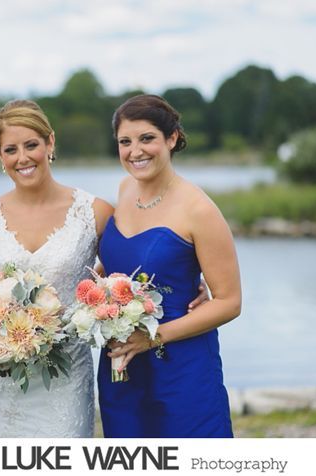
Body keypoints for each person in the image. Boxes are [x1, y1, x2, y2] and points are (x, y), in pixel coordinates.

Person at [0, 99, 114, 437]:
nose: (23, 158)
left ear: (50, 143)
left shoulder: (94, 213)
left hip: (66, 377)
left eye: (31, 145)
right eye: (10, 149)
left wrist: (192, 283)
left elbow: (126, 272)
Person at [98, 94, 241, 438]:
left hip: (181, 364)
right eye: (125, 142)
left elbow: (230, 302)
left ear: (172, 138)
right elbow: (123, 263)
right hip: (122, 363)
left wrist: (152, 337)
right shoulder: (125, 188)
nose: (135, 151)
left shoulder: (199, 209)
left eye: (147, 138)